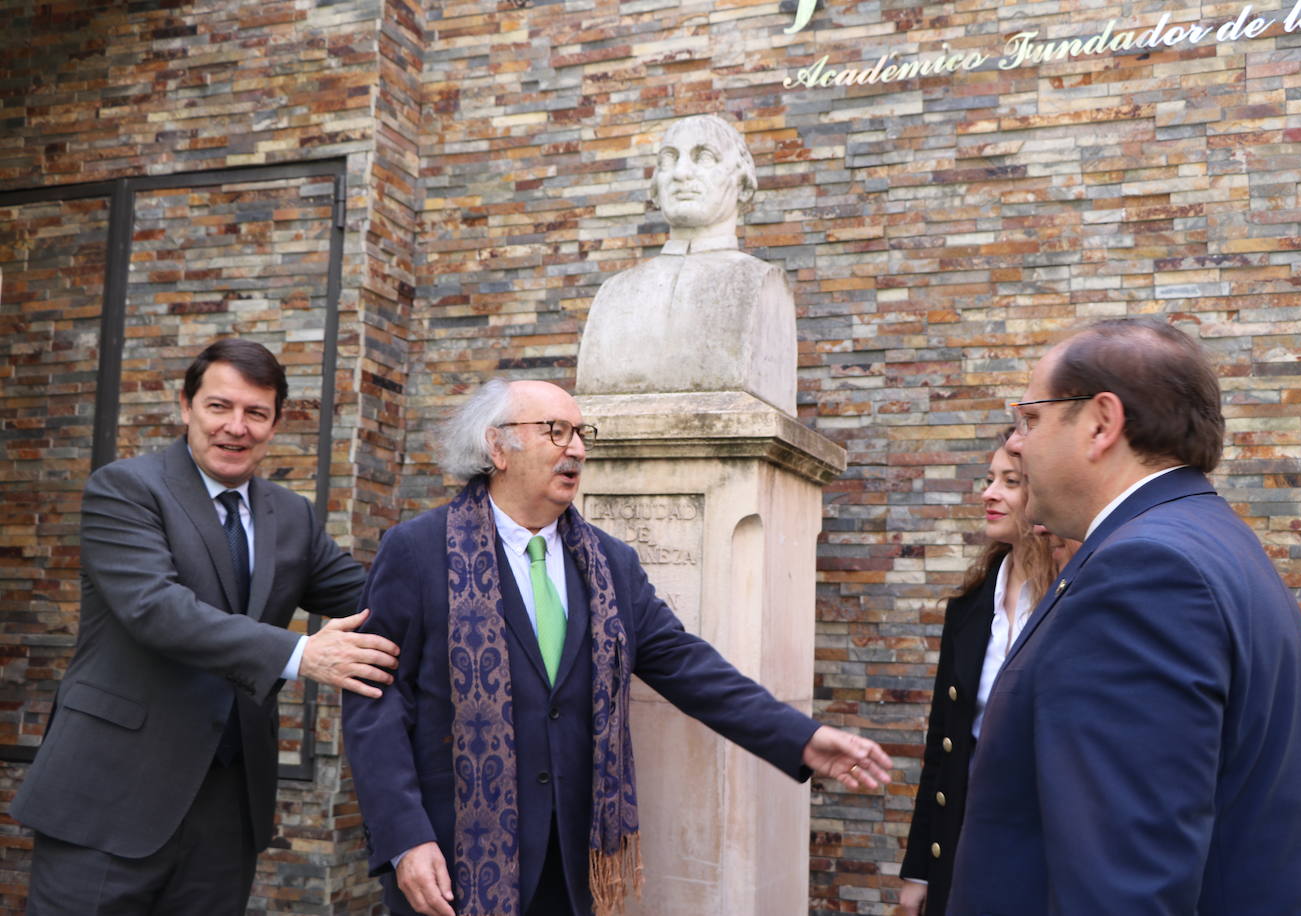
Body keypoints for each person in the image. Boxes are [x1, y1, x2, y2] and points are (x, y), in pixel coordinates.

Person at [341, 378, 893, 916]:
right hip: (452, 853)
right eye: (556, 431)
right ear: (497, 447)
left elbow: (687, 665)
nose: (576, 448)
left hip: (573, 860)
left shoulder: (610, 563)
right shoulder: (416, 550)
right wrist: (405, 839)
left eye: (583, 433)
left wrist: (803, 738)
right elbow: (374, 701)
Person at [946, 318, 1301, 915]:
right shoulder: (1207, 537)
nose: (1020, 443)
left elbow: (1125, 886)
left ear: (1101, 424)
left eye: (1031, 419)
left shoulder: (1143, 571)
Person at [13, 338, 402, 916]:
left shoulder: (291, 515)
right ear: (186, 406)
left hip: (226, 810)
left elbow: (377, 600)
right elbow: (156, 608)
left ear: (275, 423)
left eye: (256, 413)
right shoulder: (126, 489)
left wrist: (472, 569)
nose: (236, 427)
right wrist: (300, 654)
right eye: (219, 407)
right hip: (109, 798)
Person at [898, 434, 1071, 916]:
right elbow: (942, 745)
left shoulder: (1075, 597)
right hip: (965, 836)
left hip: (1044, 842)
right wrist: (919, 869)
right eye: (990, 479)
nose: (989, 493)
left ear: (1044, 493)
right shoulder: (969, 606)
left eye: (1010, 482)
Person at [577, 114, 797, 414]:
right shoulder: (614, 292)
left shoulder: (764, 284)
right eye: (668, 160)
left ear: (742, 182)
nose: (681, 173)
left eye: (704, 157)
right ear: (655, 185)